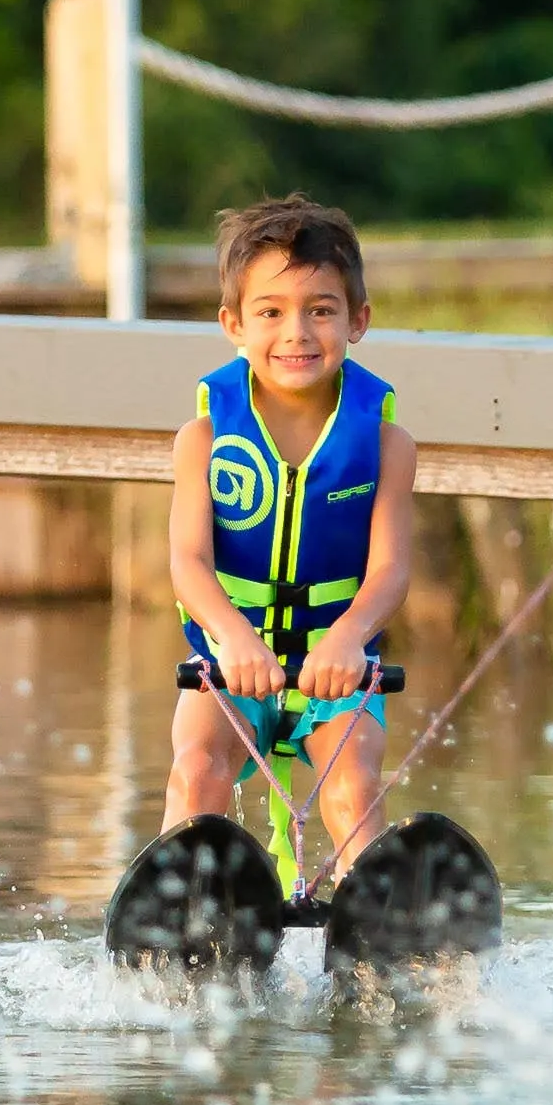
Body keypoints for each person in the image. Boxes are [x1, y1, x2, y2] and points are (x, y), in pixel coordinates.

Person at [164, 196, 418, 891]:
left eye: (321, 310)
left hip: (335, 663)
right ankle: (173, 907)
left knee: (352, 788)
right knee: (196, 774)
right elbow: (187, 561)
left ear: (357, 320)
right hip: (227, 657)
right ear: (233, 325)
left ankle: (377, 920)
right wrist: (231, 638)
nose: (296, 332)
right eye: (270, 312)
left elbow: (390, 566)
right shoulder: (205, 439)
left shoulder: (387, 444)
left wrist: (347, 638)